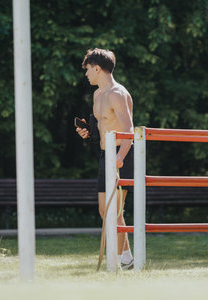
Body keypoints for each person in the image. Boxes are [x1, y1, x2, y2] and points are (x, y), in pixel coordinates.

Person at [76, 48, 134, 270]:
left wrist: (119, 157)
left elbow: (129, 130)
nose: (86, 74)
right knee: (105, 210)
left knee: (115, 211)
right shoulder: (98, 95)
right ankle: (127, 259)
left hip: (122, 154)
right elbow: (99, 129)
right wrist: (87, 132)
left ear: (98, 68)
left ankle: (116, 263)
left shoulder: (117, 94)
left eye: (88, 69)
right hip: (104, 155)